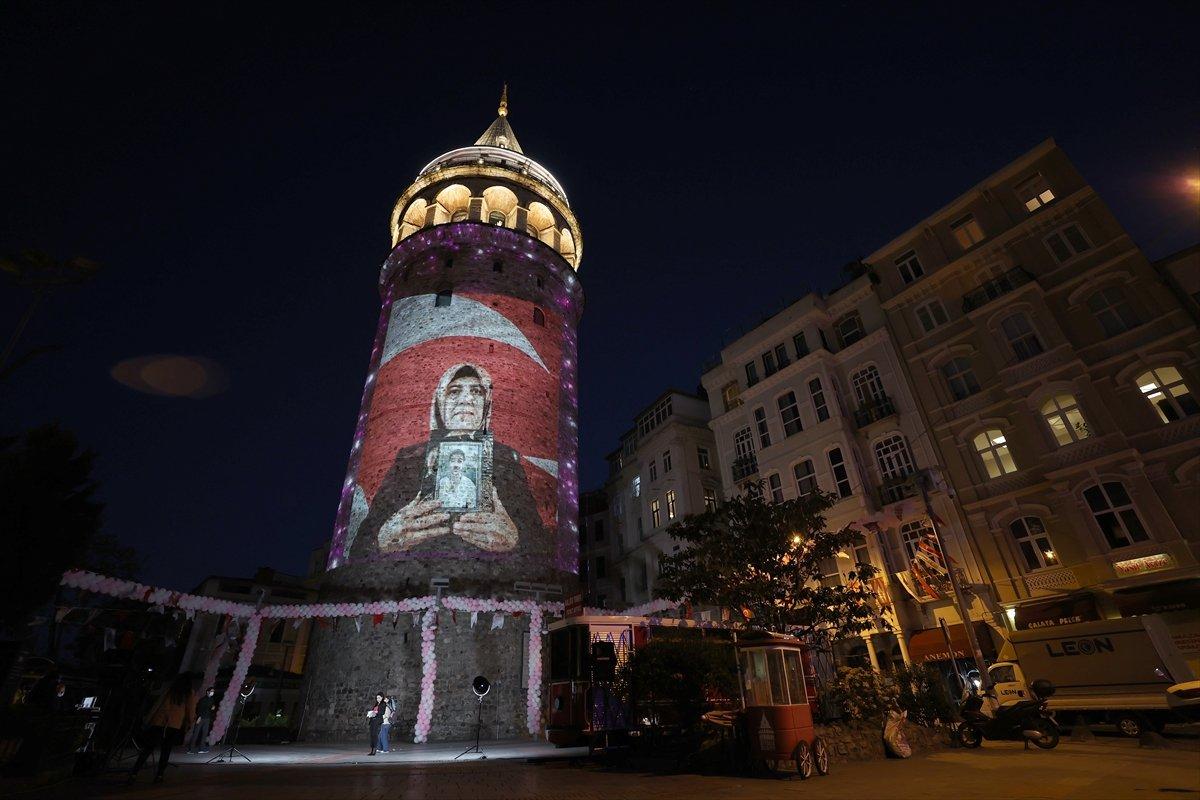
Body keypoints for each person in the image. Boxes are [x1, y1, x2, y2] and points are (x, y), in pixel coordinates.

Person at [351, 363, 546, 560]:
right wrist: (383, 540)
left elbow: (540, 545)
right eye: (454, 391)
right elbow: (359, 547)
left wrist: (515, 541)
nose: (466, 400)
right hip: (412, 582)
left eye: (477, 391)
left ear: (487, 403)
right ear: (440, 401)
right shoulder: (409, 458)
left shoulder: (506, 459)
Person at [127, 673, 196, 785]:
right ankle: (159, 775)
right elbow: (190, 710)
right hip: (174, 725)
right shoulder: (189, 693)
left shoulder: (170, 690)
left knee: (148, 749)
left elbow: (157, 705)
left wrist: (148, 719)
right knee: (166, 751)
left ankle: (134, 773)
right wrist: (191, 722)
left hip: (158, 723)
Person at [186, 686, 217, 753]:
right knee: (196, 733)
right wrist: (199, 717)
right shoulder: (202, 700)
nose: (212, 692)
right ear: (207, 692)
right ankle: (191, 749)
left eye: (213, 691)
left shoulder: (212, 699)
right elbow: (198, 709)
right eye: (211, 691)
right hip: (201, 718)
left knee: (204, 733)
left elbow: (211, 709)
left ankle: (201, 748)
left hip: (207, 718)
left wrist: (213, 708)